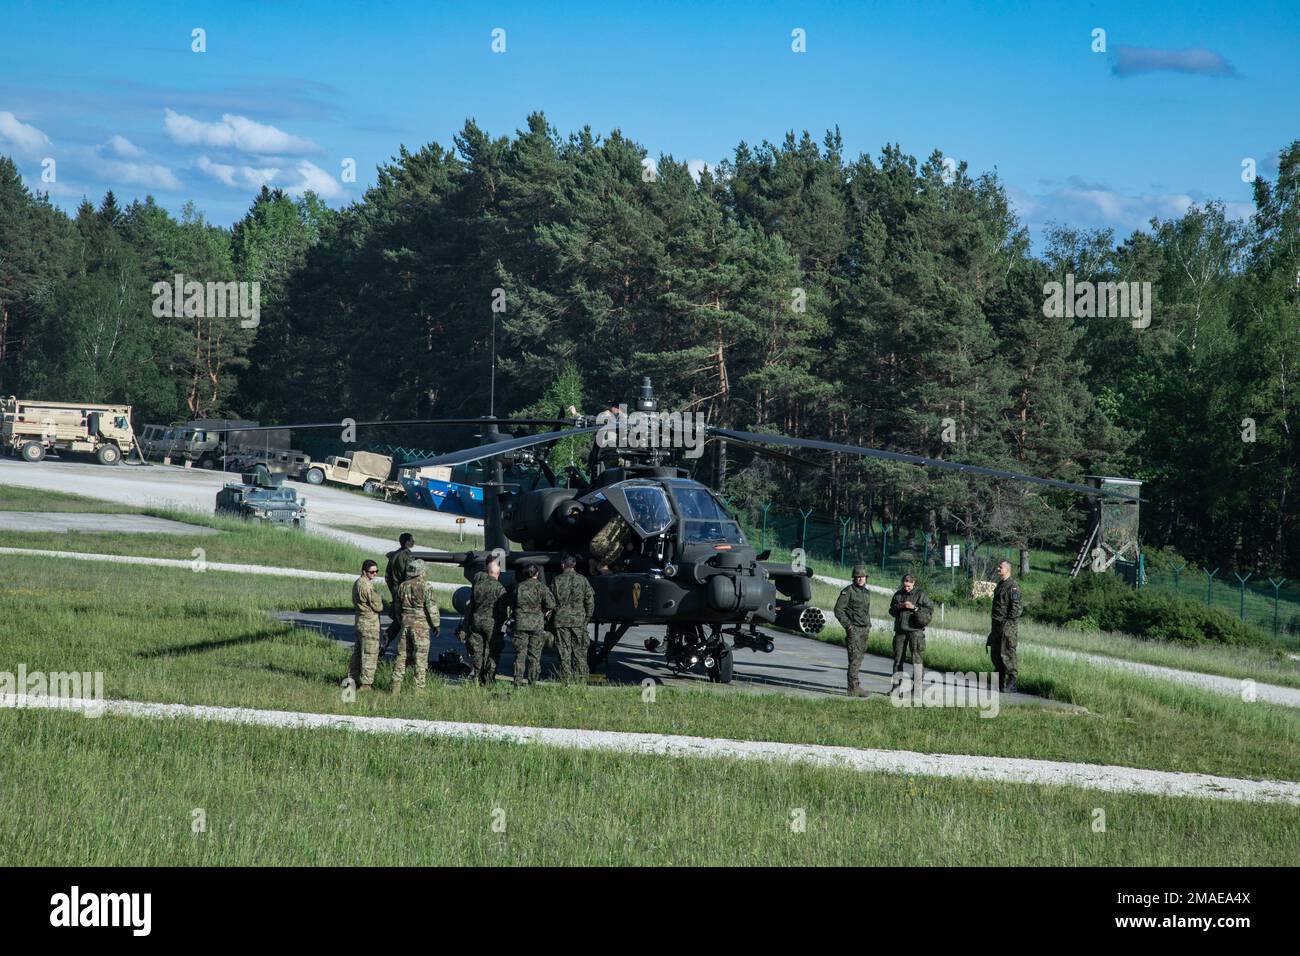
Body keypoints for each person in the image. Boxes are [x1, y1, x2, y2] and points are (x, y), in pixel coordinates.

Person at [390, 559, 440, 694]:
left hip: (405, 624)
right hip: (421, 627)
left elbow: (397, 607)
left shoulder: (403, 586)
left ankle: (395, 687)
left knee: (402, 655)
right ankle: (419, 689)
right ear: (421, 571)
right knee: (420, 657)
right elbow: (431, 607)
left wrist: (402, 620)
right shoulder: (426, 586)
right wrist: (436, 624)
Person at [550, 554, 595, 681]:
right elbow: (590, 601)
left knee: (564, 651)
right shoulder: (583, 580)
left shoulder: (557, 580)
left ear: (563, 565)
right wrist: (587, 618)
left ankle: (565, 679)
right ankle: (581, 679)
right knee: (580, 652)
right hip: (578, 621)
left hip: (561, 621)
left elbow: (551, 601)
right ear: (574, 565)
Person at [464, 558, 509, 685]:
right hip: (491, 624)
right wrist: (502, 623)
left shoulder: (478, 586)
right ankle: (489, 678)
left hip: (476, 621)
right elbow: (502, 611)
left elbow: (471, 605)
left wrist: (469, 623)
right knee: (492, 650)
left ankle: (477, 677)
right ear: (497, 573)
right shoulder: (499, 588)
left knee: (478, 651)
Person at [888, 573, 933, 694]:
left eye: (908, 586)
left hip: (915, 631)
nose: (906, 588)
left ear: (913, 583)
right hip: (900, 631)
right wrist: (899, 606)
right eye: (904, 585)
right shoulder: (898, 594)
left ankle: (917, 689)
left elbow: (929, 610)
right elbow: (891, 611)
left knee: (917, 660)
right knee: (897, 660)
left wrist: (914, 608)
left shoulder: (921, 594)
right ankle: (896, 688)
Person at [511, 563, 555, 687]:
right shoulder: (542, 588)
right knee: (534, 655)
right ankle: (532, 682)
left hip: (521, 624)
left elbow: (512, 603)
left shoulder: (519, 587)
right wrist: (544, 612)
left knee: (520, 654)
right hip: (537, 625)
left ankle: (517, 681)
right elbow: (551, 604)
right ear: (537, 573)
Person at [834, 564, 873, 697]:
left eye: (862, 577)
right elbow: (838, 610)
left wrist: (868, 625)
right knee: (854, 659)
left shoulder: (866, 592)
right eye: (857, 577)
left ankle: (855, 685)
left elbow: (865, 611)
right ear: (853, 578)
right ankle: (853, 687)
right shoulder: (848, 591)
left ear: (866, 577)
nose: (860, 579)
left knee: (859, 658)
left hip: (864, 629)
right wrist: (849, 627)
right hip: (854, 629)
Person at [346, 560, 384, 692]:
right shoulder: (367, 586)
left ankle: (351, 679)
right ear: (364, 571)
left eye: (376, 571)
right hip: (369, 624)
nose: (375, 574)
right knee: (369, 653)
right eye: (372, 572)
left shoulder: (357, 583)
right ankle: (366, 685)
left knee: (357, 653)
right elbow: (378, 606)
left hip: (360, 621)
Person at [989, 559, 1022, 693]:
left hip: (1007, 627)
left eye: (1000, 567)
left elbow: (1016, 609)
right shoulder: (1000, 585)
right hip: (996, 626)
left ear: (1007, 569)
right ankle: (999, 682)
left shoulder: (1013, 587)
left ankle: (1012, 682)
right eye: (998, 567)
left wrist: (1007, 624)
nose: (998, 569)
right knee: (996, 654)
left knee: (1007, 654)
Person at [383, 532, 417, 660]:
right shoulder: (407, 556)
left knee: (399, 619)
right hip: (404, 592)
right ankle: (407, 650)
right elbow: (410, 575)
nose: (414, 542)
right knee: (407, 619)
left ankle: (388, 637)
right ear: (407, 542)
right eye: (412, 540)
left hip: (396, 591)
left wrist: (394, 589)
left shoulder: (394, 555)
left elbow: (387, 577)